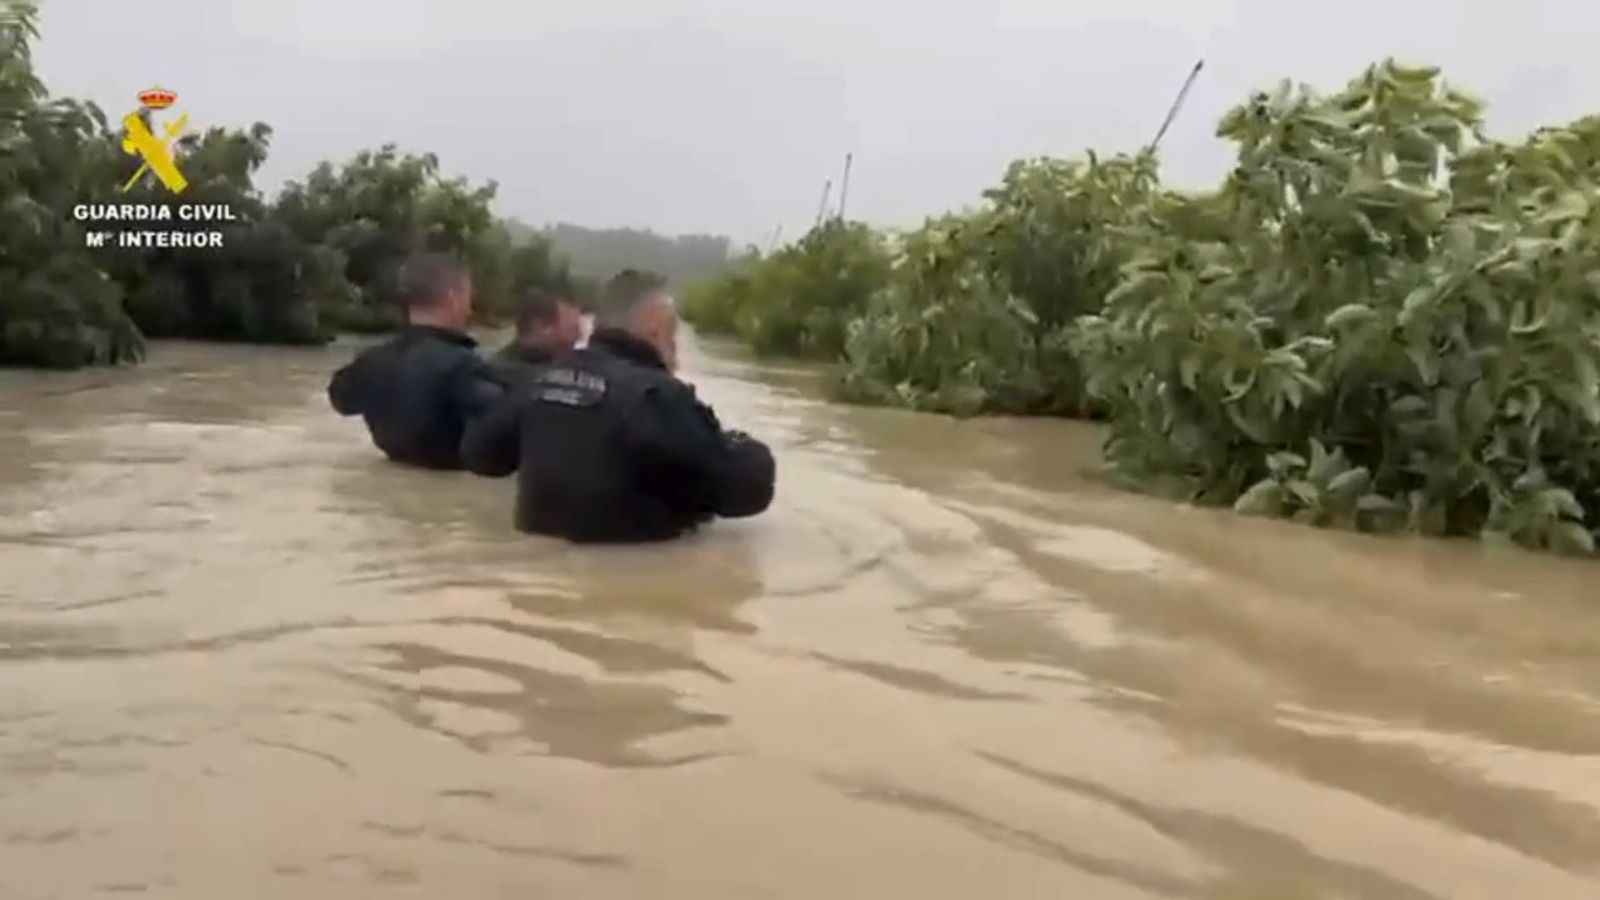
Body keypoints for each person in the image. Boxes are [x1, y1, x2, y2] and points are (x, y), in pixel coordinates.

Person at [461, 269, 775, 543]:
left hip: (535, 586)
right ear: (656, 330)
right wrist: (744, 447)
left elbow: (480, 456)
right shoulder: (659, 396)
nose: (676, 354)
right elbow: (749, 491)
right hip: (637, 588)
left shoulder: (540, 380)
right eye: (672, 338)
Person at [326, 252, 505, 470]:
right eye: (468, 296)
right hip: (447, 491)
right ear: (453, 297)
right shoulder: (465, 367)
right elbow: (508, 424)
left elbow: (341, 401)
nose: (470, 308)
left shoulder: (371, 361)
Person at [488, 288, 584, 385]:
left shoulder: (580, 370)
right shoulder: (497, 374)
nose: (579, 336)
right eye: (572, 330)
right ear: (544, 326)